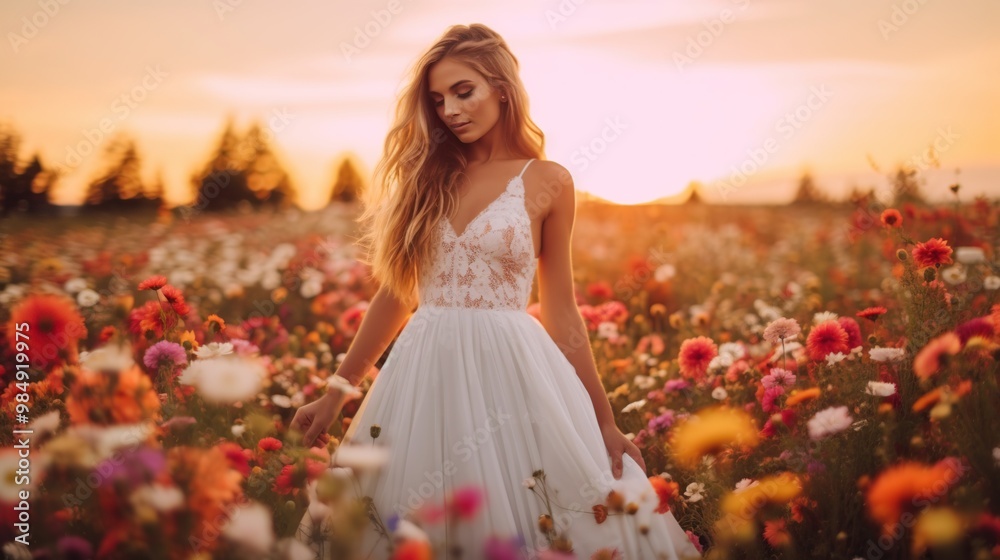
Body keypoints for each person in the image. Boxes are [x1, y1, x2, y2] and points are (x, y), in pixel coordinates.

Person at [290, 23, 700, 560]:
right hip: (423, 372)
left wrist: (604, 421)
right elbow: (396, 295)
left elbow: (560, 308)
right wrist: (337, 392)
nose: (451, 110)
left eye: (465, 91)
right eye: (438, 100)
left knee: (546, 506)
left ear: (501, 88)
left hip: (515, 371)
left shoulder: (548, 179)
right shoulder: (425, 178)